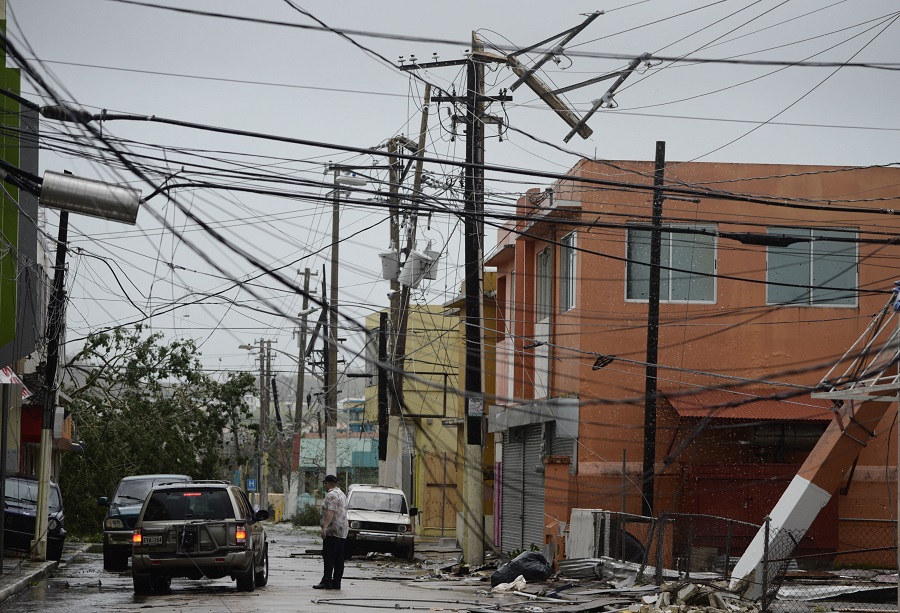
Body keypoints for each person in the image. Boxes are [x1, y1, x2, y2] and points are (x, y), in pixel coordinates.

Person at [313, 474, 348, 590]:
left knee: (329, 556)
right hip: (342, 531)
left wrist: (325, 527)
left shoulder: (331, 495)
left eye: (325, 484)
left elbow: (331, 511)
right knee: (339, 557)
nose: (325, 486)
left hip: (333, 531)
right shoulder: (342, 494)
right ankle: (336, 582)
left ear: (327, 483)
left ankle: (327, 581)